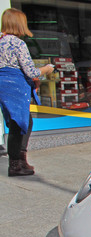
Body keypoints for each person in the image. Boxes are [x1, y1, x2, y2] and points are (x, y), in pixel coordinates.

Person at [0, 8, 54, 176]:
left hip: (3, 85)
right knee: (20, 124)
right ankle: (15, 165)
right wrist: (47, 68)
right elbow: (31, 71)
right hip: (16, 86)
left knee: (21, 122)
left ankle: (21, 161)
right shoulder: (17, 43)